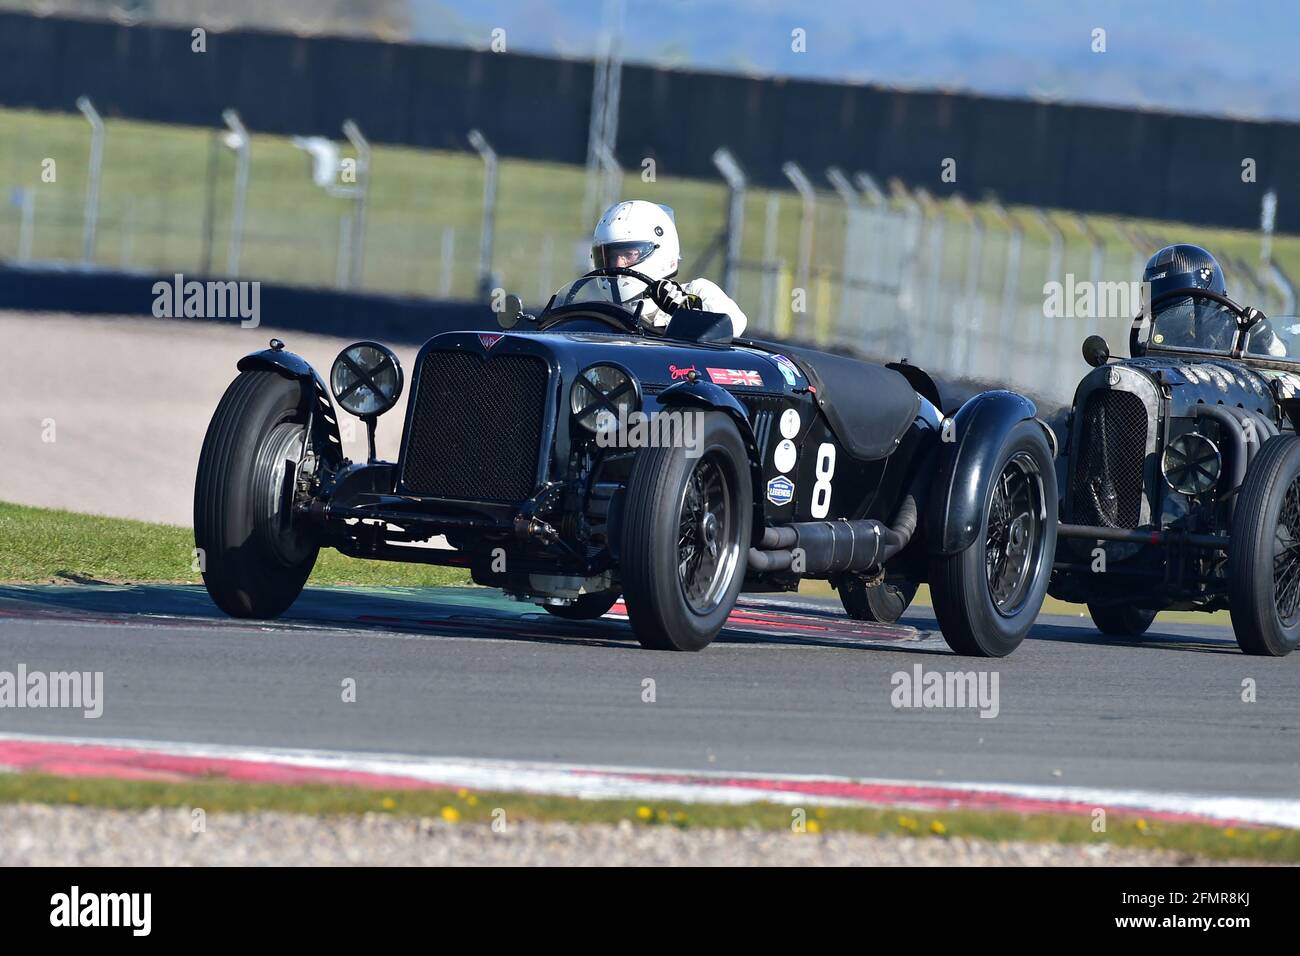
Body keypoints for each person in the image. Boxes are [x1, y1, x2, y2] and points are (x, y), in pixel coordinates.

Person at [588, 199, 749, 336]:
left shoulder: (697, 291)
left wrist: (686, 311)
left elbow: (734, 324)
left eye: (629, 254)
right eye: (609, 257)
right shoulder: (599, 316)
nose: (617, 265)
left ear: (660, 250)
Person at [1142, 243, 1283, 355]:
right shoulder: (1156, 342)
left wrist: (1266, 338)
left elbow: (1285, 365)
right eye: (1157, 291)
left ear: (1204, 291)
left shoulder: (1235, 329)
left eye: (1172, 289)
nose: (1164, 300)